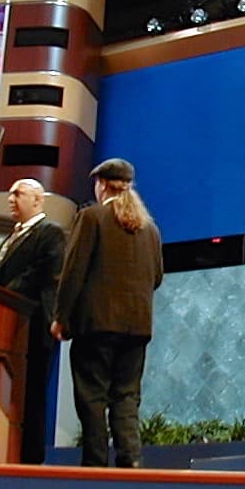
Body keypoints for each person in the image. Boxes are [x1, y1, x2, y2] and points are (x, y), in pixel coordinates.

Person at [51, 157, 163, 468]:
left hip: (95, 326)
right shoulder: (150, 229)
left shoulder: (91, 218)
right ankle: (131, 463)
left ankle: (96, 467)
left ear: (101, 185)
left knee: (92, 397)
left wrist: (60, 316)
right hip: (137, 329)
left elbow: (73, 272)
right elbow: (156, 277)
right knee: (126, 398)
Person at [0, 177, 65, 464]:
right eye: (9, 194)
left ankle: (31, 459)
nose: (10, 199)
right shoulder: (10, 237)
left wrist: (2, 294)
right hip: (4, 325)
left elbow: (43, 274)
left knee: (31, 393)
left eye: (17, 193)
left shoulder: (51, 233)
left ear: (37, 199)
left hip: (31, 325)